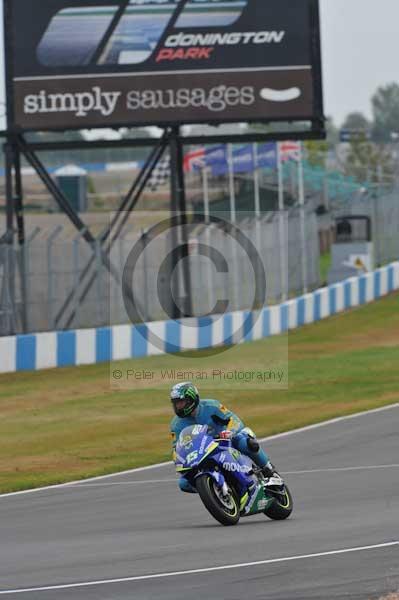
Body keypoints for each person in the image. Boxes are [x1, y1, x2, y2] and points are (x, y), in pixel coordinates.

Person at [169, 381, 280, 494]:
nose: (178, 407)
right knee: (183, 483)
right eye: (176, 403)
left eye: (181, 402)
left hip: (225, 442)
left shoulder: (212, 406)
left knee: (246, 443)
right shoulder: (176, 425)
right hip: (201, 453)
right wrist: (179, 460)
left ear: (191, 400)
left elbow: (234, 419)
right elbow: (177, 447)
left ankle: (269, 470)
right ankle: (212, 490)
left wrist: (230, 432)